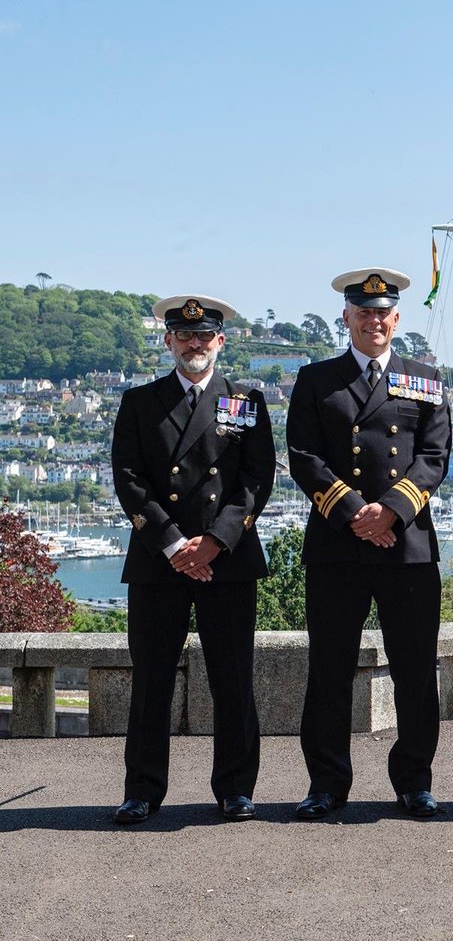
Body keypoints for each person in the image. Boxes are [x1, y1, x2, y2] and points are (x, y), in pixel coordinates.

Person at [287, 267, 451, 820]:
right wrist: (357, 512)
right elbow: (304, 457)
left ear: (396, 319)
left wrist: (392, 512)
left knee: (414, 670)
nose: (374, 320)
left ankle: (414, 781)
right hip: (338, 544)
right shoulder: (316, 379)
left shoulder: (425, 378)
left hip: (405, 547)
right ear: (347, 318)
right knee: (328, 671)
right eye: (364, 312)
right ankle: (327, 783)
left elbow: (433, 458)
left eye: (383, 313)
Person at [111, 295, 274, 824]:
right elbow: (128, 481)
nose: (195, 344)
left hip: (226, 559)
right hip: (161, 560)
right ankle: (142, 790)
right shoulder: (139, 402)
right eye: (185, 336)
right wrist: (174, 543)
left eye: (205, 336)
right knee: (151, 680)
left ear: (220, 342)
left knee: (233, 678)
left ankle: (235, 789)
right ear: (169, 342)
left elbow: (256, 480)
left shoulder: (245, 400)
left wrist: (215, 541)